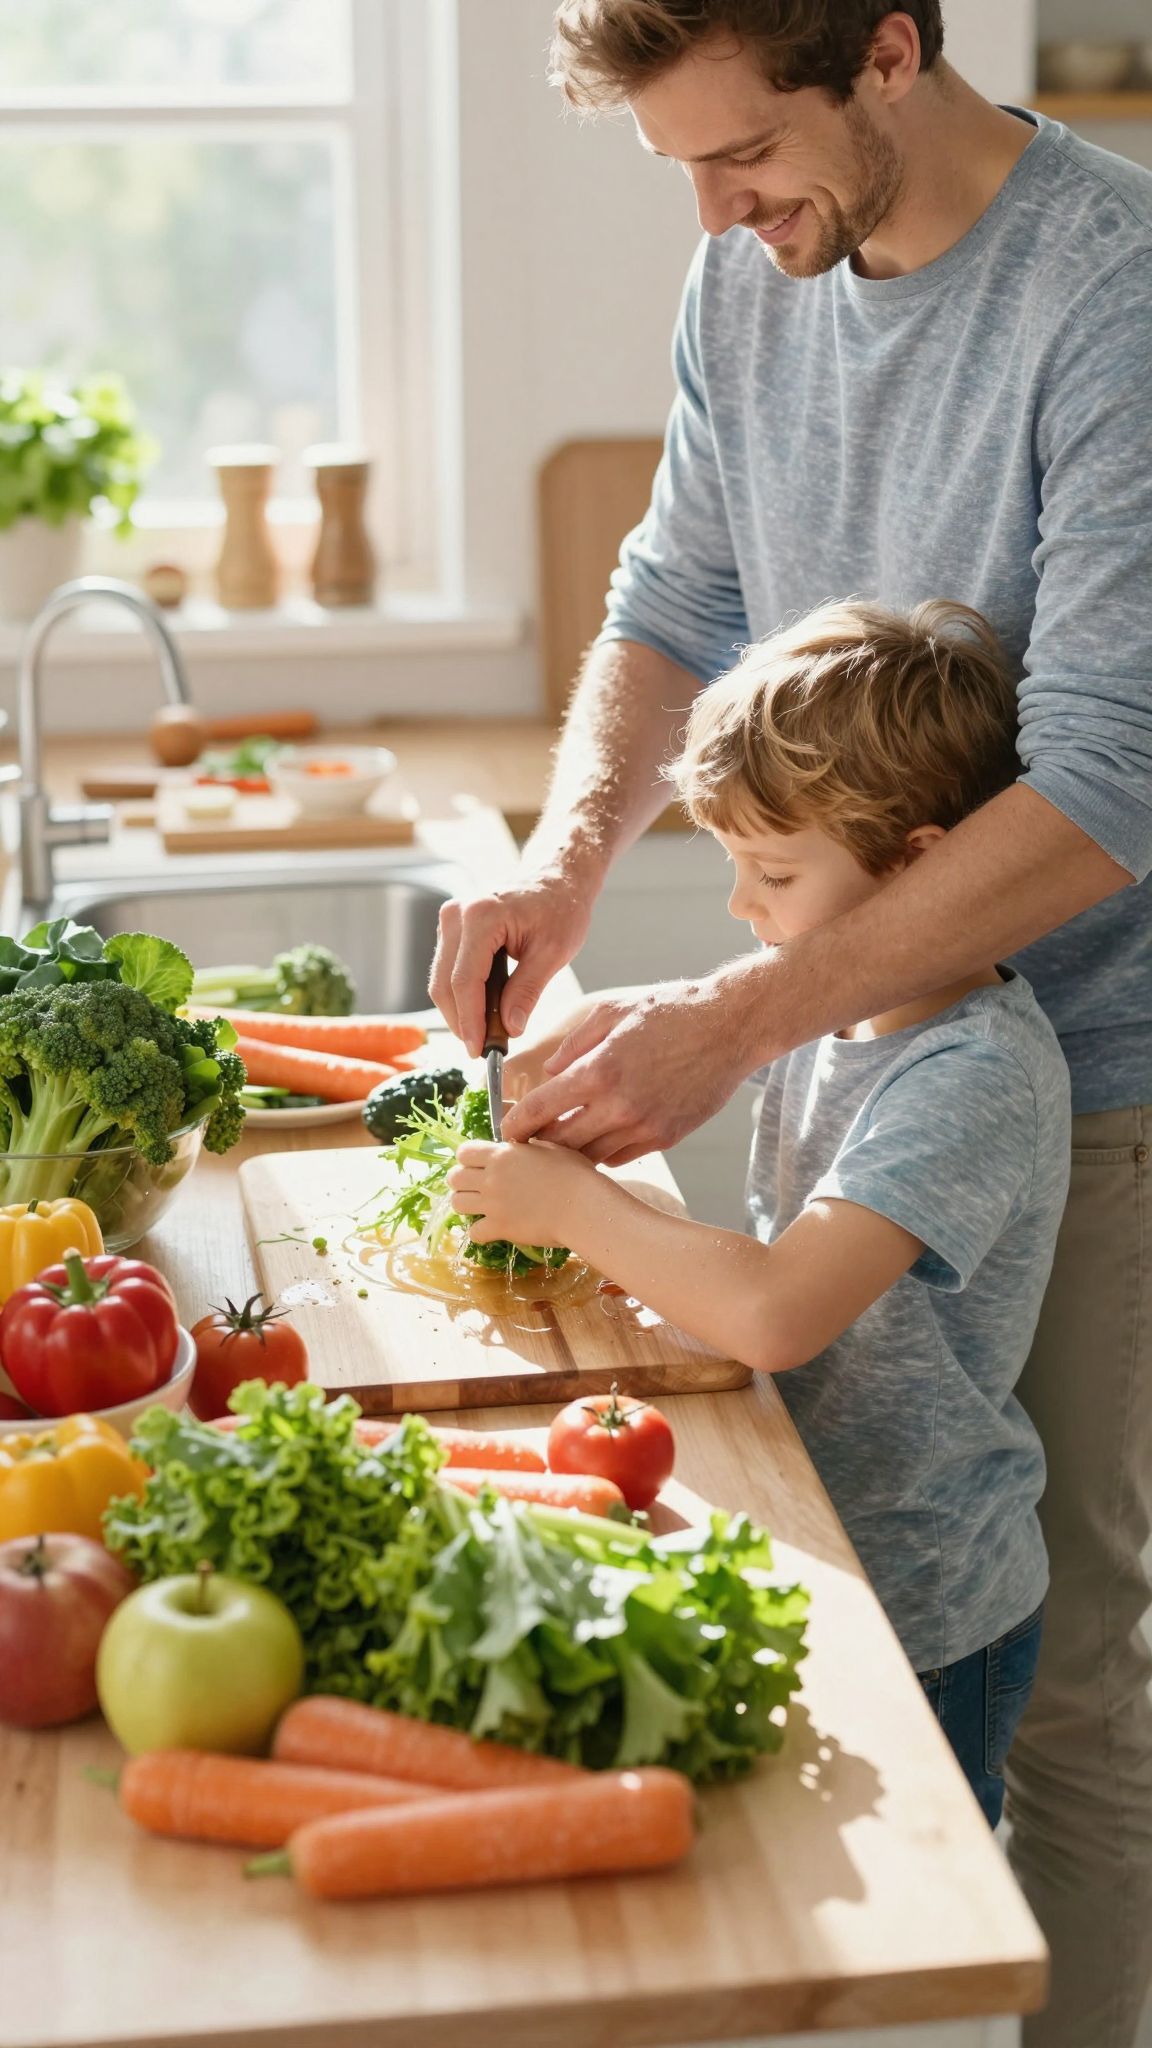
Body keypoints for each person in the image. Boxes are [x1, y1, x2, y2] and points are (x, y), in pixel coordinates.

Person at [430, 8, 1152, 2043]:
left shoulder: (1110, 297)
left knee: (1065, 1666)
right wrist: (564, 861)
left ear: (890, 51)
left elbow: (1109, 776)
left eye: (742, 153)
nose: (713, 212)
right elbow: (673, 593)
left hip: (1084, 1074)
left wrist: (737, 1018)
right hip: (847, 1042)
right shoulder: (752, 264)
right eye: (680, 166)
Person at [448, 594, 1069, 1825]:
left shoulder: (976, 1072)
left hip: (928, 1604)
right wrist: (601, 1029)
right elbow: (716, 1025)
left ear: (921, 865)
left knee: (916, 1901)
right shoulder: (851, 1007)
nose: (742, 908)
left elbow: (780, 1311)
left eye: (773, 873)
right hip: (822, 1534)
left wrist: (573, 1206)